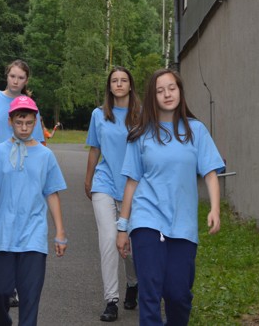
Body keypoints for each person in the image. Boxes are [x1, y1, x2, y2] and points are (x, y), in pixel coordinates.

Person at [116, 69, 224, 326]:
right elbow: (132, 181)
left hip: (183, 225)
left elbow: (210, 173)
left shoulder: (196, 130)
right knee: (150, 293)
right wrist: (122, 226)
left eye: (172, 88)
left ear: (180, 91)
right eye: (160, 90)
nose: (167, 94)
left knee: (178, 294)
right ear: (152, 97)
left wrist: (215, 209)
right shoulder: (141, 133)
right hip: (147, 220)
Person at [0, 95, 67, 326]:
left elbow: (52, 193)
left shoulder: (45, 156)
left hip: (33, 235)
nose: (24, 128)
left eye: (28, 123)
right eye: (19, 122)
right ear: (10, 122)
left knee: (29, 297)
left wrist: (60, 232)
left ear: (35, 122)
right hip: (3, 234)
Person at [84, 67, 141, 321]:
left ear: (130, 85)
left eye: (123, 80)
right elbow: (94, 149)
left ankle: (133, 282)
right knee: (108, 239)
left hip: (134, 186)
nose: (118, 84)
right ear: (109, 86)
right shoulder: (98, 114)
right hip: (104, 182)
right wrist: (88, 179)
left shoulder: (142, 114)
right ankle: (111, 301)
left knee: (130, 243)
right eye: (114, 80)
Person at [0, 60, 45, 156]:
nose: (15, 81)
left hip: (22, 162)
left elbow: (36, 142)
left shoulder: (30, 105)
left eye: (21, 78)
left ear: (26, 81)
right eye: (12, 76)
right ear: (7, 76)